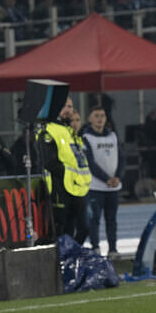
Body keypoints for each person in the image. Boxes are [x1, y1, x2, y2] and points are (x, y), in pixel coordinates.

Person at [40, 98, 91, 241]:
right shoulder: (48, 130)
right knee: (63, 230)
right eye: (64, 106)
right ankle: (65, 254)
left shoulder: (70, 131)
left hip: (77, 187)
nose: (68, 109)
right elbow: (49, 162)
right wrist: (68, 174)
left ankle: (72, 252)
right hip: (59, 188)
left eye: (70, 106)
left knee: (83, 228)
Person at [82, 105, 124, 255]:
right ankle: (95, 247)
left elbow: (121, 158)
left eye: (102, 116)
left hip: (113, 187)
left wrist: (118, 177)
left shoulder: (112, 136)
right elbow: (90, 163)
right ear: (90, 119)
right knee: (94, 219)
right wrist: (106, 179)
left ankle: (113, 249)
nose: (100, 119)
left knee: (111, 219)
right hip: (96, 187)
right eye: (96, 116)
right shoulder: (86, 138)